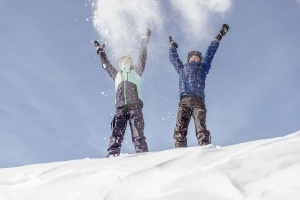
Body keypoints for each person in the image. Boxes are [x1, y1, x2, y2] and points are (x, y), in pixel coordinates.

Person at [168, 24, 230, 148]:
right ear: (189, 59)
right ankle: (180, 151)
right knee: (180, 128)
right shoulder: (182, 69)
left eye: (197, 58)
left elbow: (210, 53)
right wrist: (172, 47)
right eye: (193, 57)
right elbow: (174, 59)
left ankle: (205, 148)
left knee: (200, 126)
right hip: (184, 101)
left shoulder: (203, 68)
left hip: (198, 100)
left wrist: (218, 37)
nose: (195, 59)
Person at [94, 28, 151, 157]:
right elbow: (106, 65)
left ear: (131, 62)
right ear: (120, 64)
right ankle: (112, 156)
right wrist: (101, 52)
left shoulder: (136, 72)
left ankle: (143, 155)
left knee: (138, 134)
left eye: (127, 60)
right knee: (116, 134)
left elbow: (142, 56)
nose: (125, 61)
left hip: (135, 107)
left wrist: (144, 39)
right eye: (123, 60)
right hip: (120, 108)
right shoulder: (117, 75)